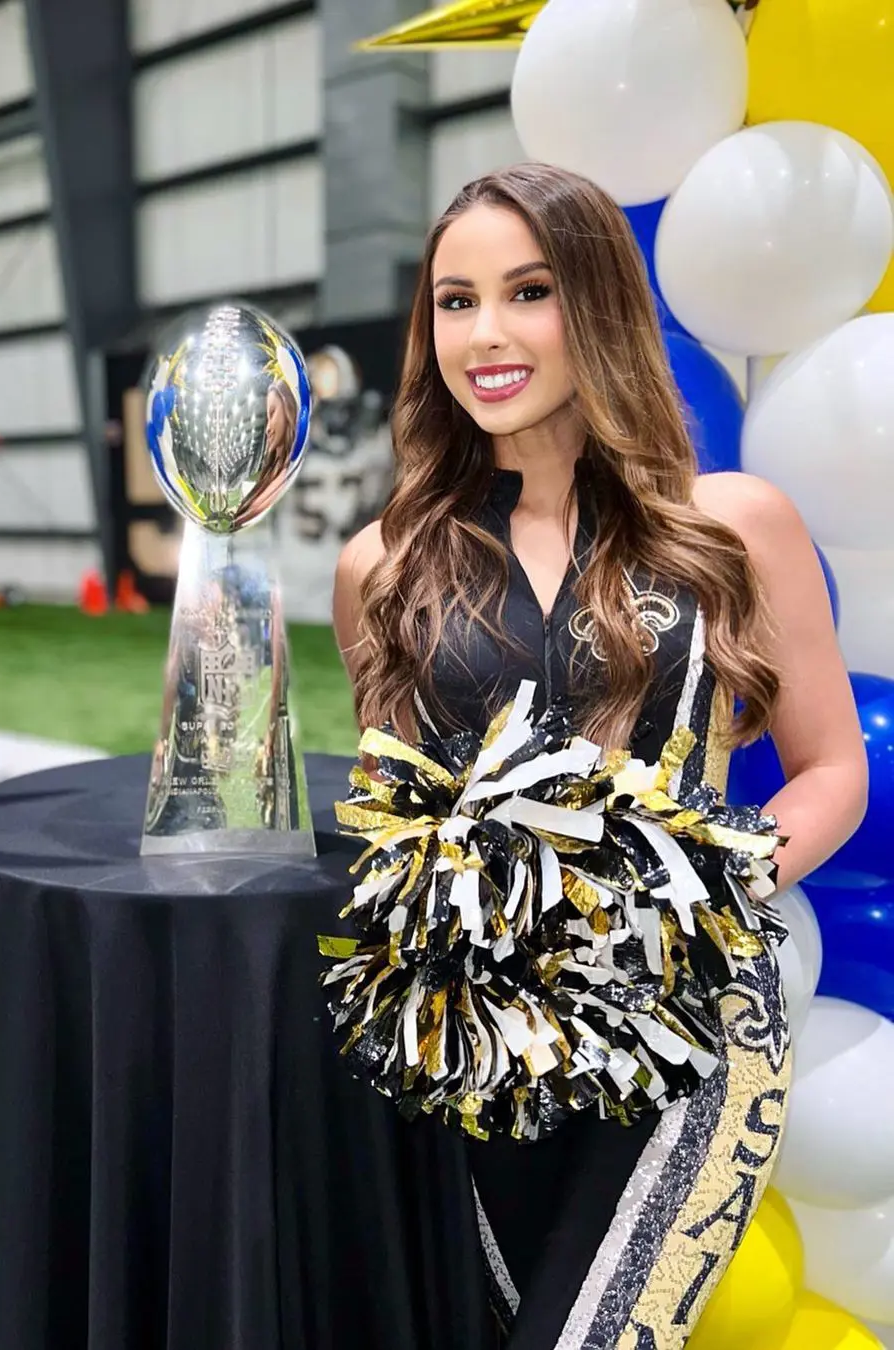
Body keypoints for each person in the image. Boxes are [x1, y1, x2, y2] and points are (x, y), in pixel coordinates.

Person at [331, 163, 868, 1349]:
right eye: (454, 300)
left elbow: (832, 767)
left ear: (601, 302)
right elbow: (397, 801)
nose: (487, 334)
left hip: (691, 1027)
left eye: (529, 290)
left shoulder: (735, 523)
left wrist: (695, 888)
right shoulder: (384, 564)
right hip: (482, 1054)